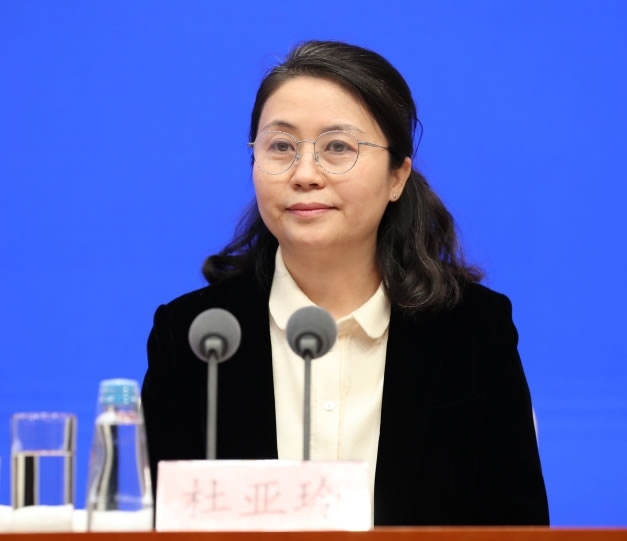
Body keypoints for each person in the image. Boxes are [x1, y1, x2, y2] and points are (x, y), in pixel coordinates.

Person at [141, 39, 549, 526]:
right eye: (281, 146)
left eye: (337, 147)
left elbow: (516, 525)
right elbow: (152, 523)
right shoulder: (197, 337)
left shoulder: (472, 332)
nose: (305, 174)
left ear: (397, 176)